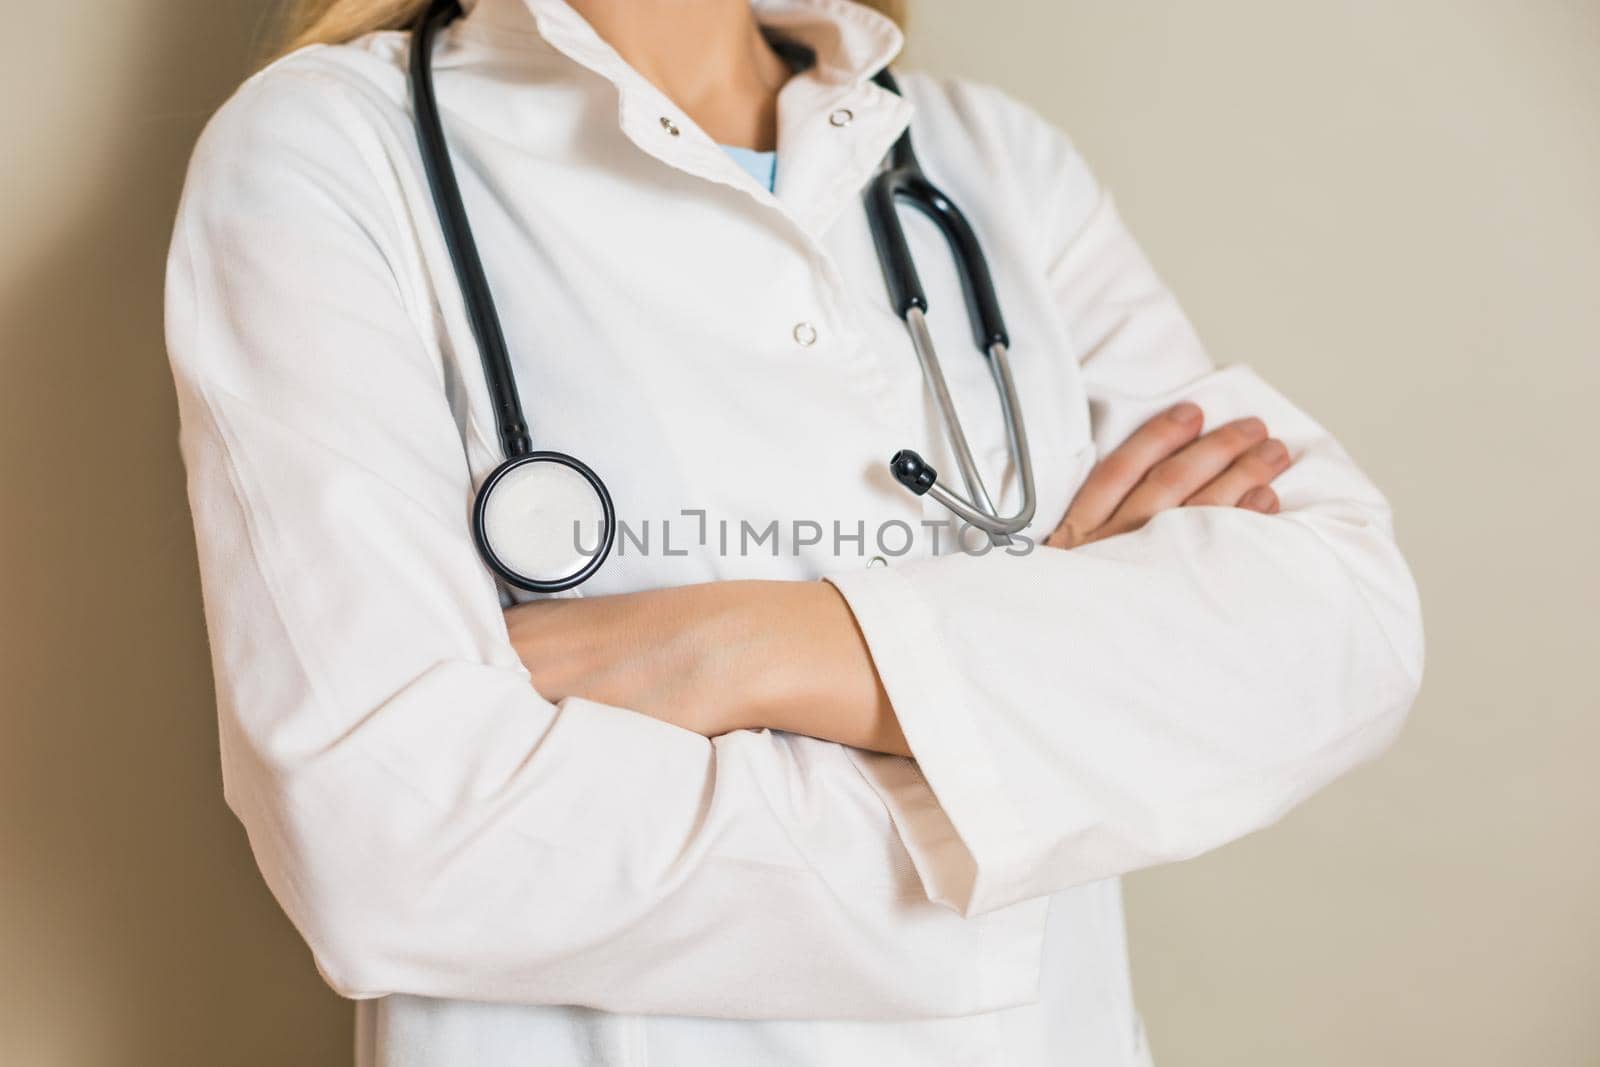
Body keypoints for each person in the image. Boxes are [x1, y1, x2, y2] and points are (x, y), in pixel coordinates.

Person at [162, 0, 1425, 1063]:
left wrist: (750, 645)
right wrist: (1030, 752)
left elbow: (1336, 620)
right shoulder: (330, 149)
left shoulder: (993, 168)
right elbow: (390, 839)